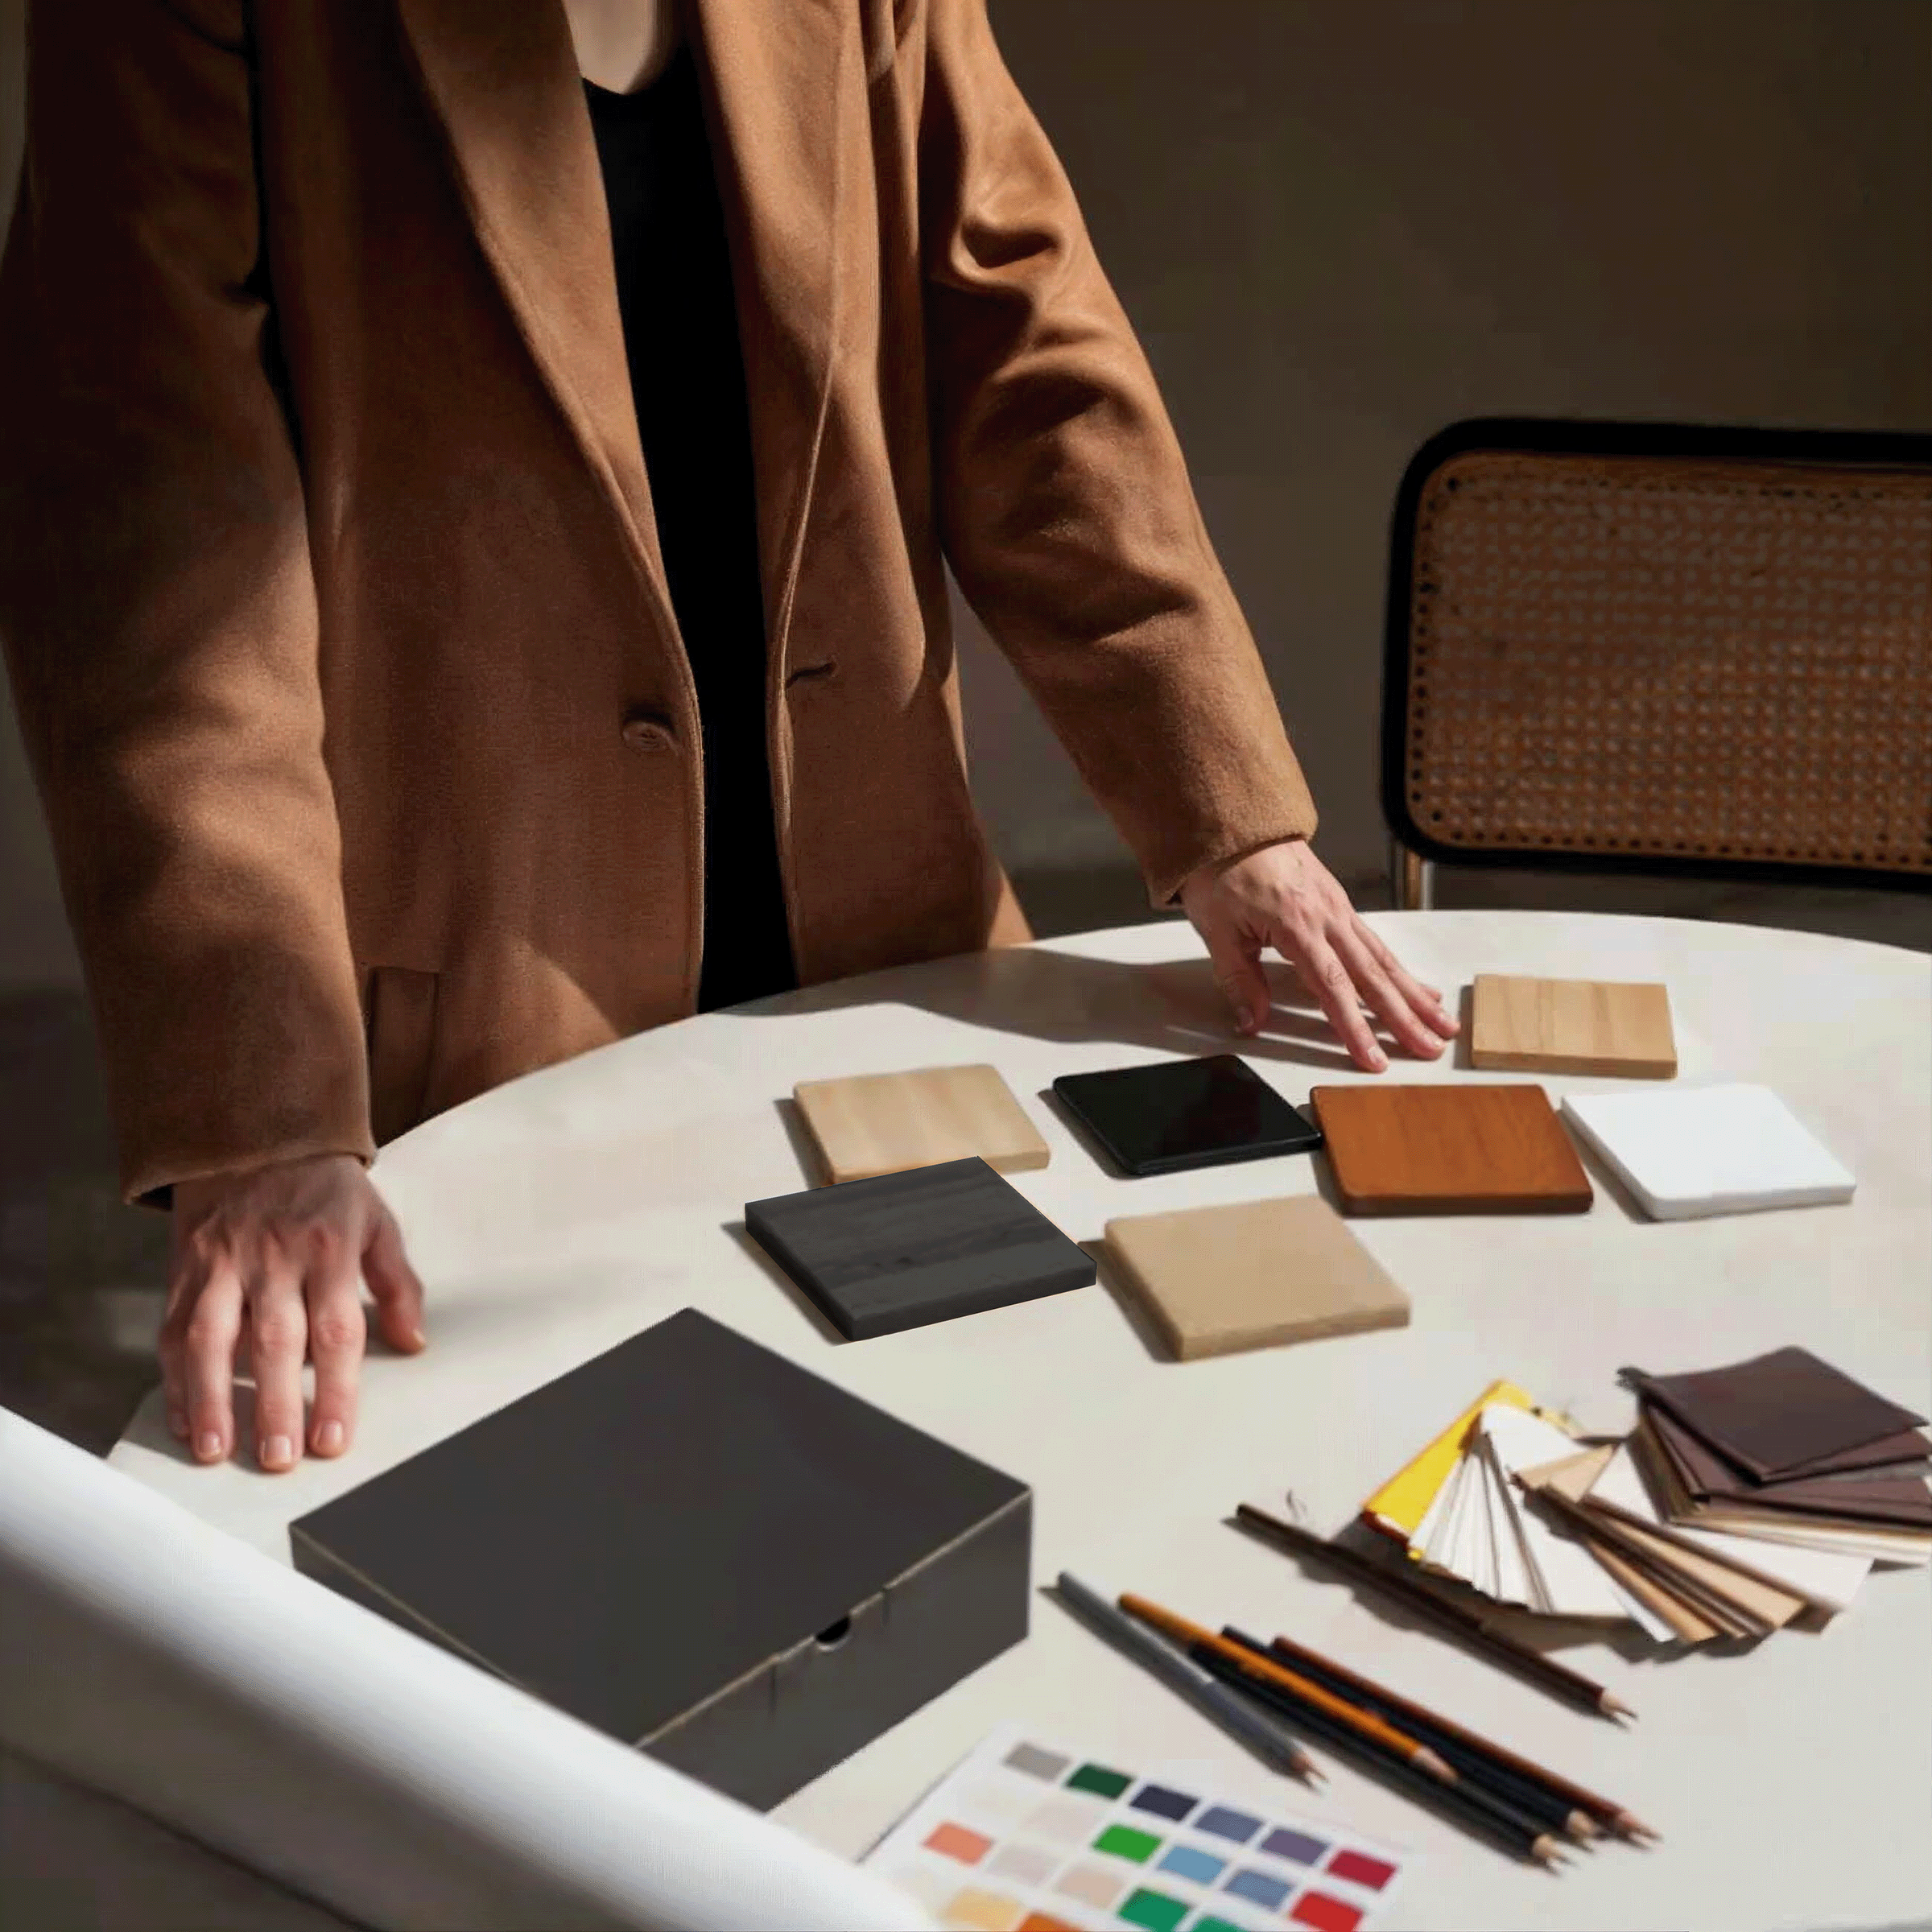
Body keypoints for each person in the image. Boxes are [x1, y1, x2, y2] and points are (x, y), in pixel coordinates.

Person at [0, 0, 1456, 1477]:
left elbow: (1024, 340)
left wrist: (1226, 810)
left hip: (881, 955)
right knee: (580, 1580)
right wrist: (255, 1109)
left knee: (997, 1492)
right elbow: (157, 522)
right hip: (479, 1011)